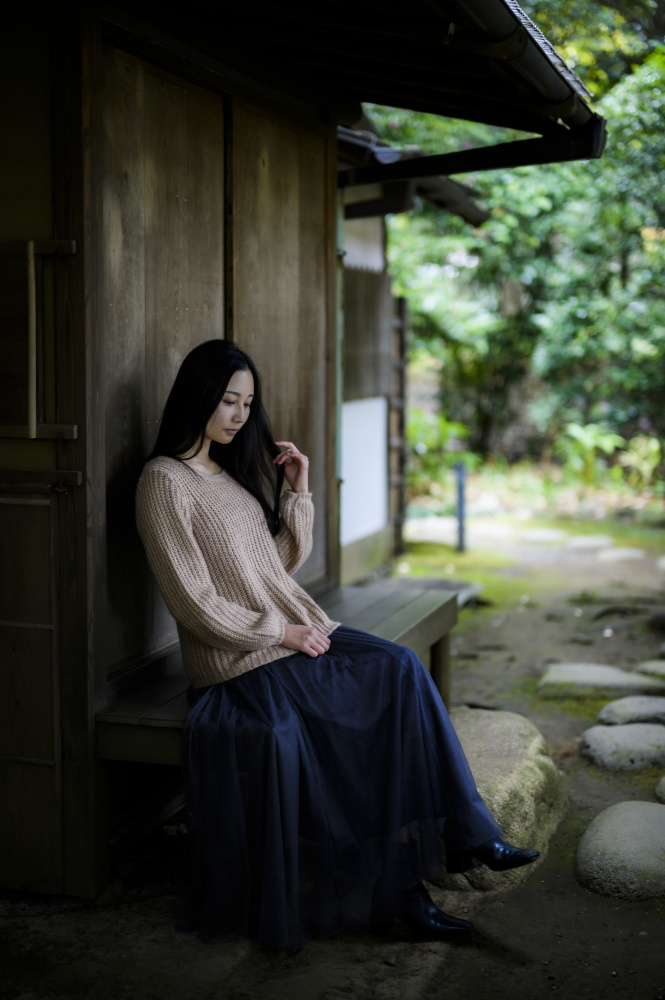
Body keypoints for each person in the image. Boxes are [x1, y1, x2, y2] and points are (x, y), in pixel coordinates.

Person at [135, 339, 539, 953]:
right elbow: (194, 602)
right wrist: (281, 631)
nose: (241, 415)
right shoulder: (163, 480)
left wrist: (298, 492)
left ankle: (467, 835)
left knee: (399, 666)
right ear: (196, 396)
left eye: (248, 402)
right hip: (237, 661)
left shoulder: (226, 473)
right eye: (227, 400)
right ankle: (408, 892)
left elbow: (272, 572)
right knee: (363, 708)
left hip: (287, 636)